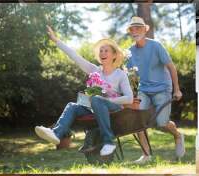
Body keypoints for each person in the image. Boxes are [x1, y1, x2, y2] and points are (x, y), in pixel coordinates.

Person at [34, 26, 133, 156]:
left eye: (106, 50)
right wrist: (56, 40)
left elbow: (129, 98)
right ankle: (56, 134)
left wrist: (107, 100)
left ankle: (109, 142)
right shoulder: (95, 70)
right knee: (72, 106)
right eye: (101, 51)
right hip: (95, 106)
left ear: (114, 55)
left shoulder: (120, 74)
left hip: (113, 108)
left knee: (97, 99)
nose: (102, 53)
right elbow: (74, 56)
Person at [126, 17, 185, 164]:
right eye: (132, 29)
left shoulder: (156, 46)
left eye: (138, 28)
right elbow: (130, 75)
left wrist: (176, 89)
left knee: (162, 122)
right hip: (144, 89)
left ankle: (178, 135)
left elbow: (171, 67)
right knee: (138, 121)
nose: (135, 31)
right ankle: (146, 155)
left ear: (145, 30)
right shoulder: (129, 52)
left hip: (162, 88)